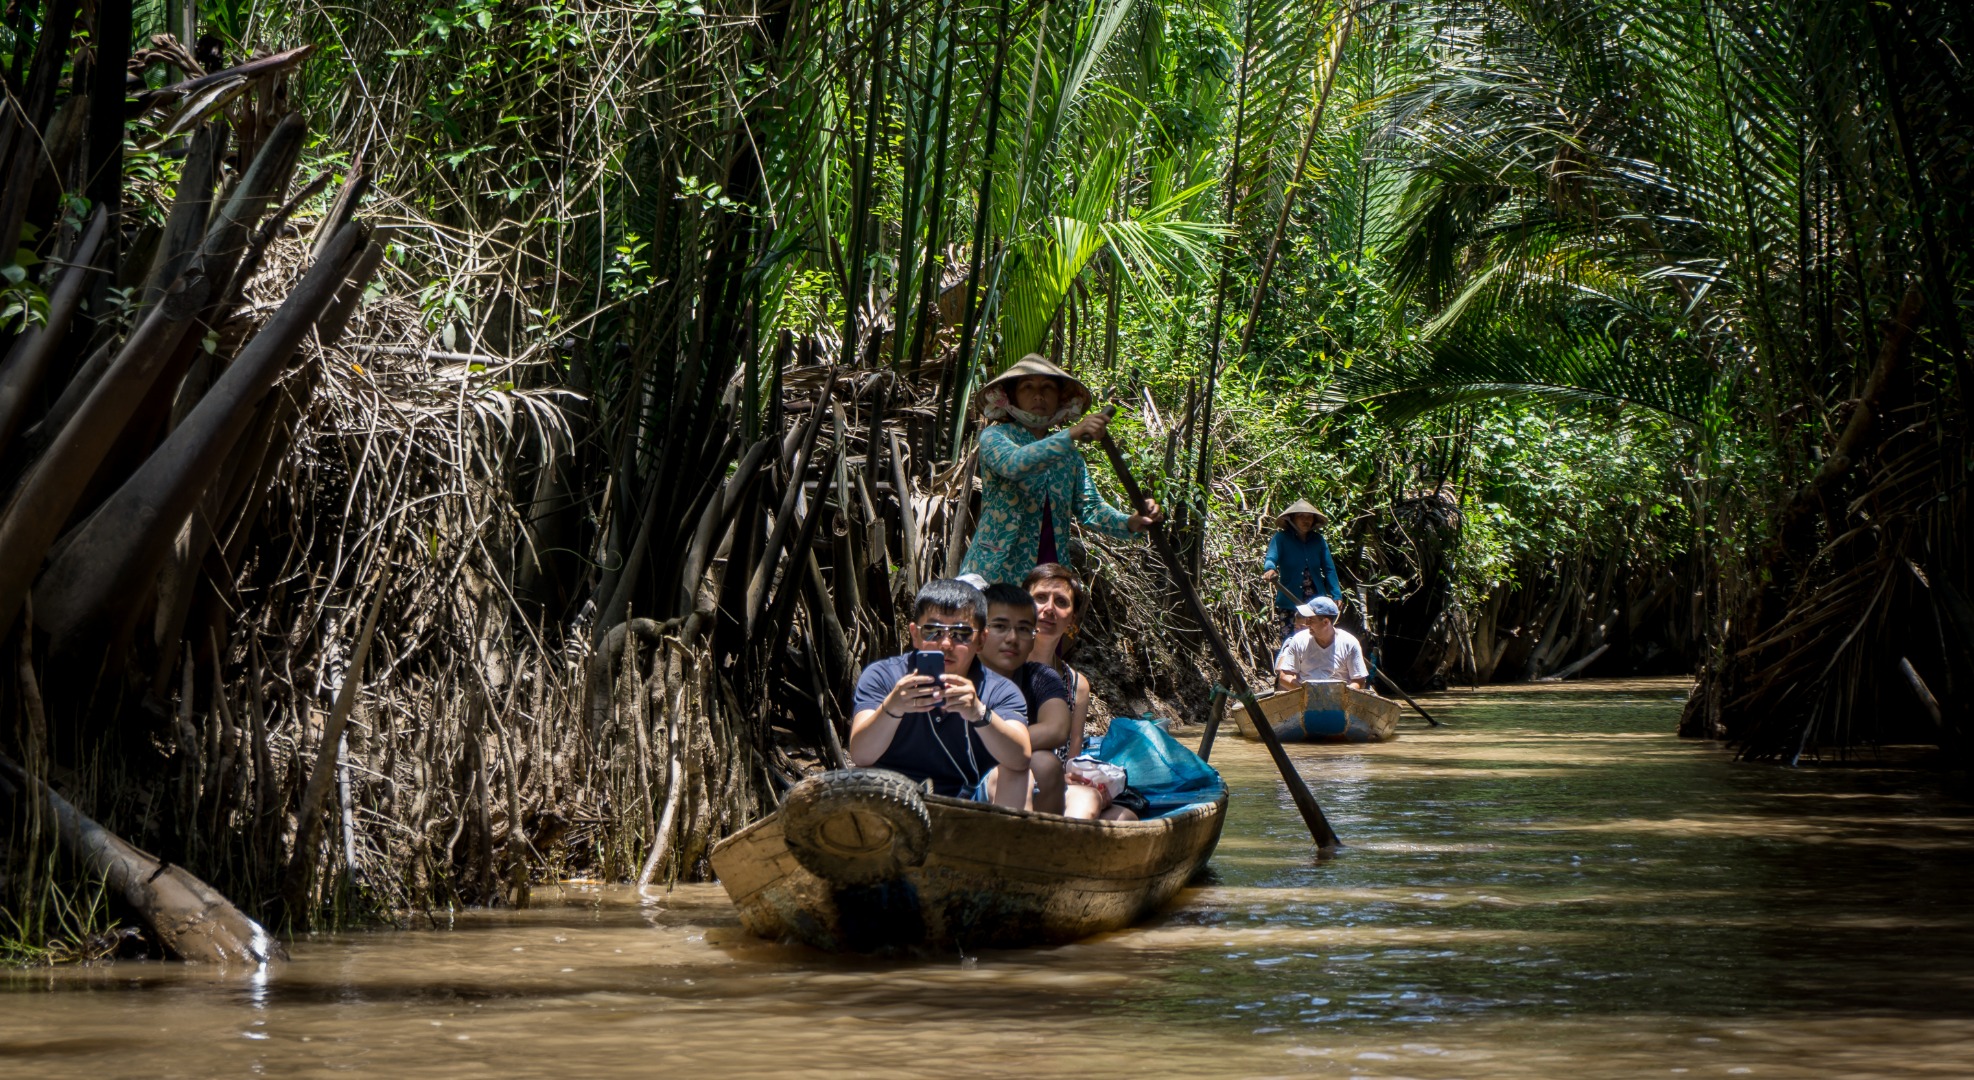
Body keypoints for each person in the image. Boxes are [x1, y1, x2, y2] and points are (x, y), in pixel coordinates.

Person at [959, 355, 1162, 586]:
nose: (1038, 395)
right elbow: (1014, 464)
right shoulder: (996, 436)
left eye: (1047, 388)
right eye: (1028, 387)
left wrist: (1130, 522)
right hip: (996, 571)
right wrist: (1071, 434)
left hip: (1049, 577)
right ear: (1011, 396)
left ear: (1060, 399)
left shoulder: (1070, 457)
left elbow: (1091, 508)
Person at [850, 579, 1033, 805]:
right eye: (933, 631)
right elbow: (860, 755)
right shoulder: (883, 676)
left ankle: (1001, 840)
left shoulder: (1001, 691)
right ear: (915, 635)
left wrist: (979, 713)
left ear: (981, 640)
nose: (946, 644)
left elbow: (1020, 759)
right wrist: (892, 708)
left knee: (1018, 775)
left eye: (961, 633)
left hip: (968, 798)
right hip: (890, 792)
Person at [1024, 562, 1140, 821]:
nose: (1049, 609)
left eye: (1061, 602)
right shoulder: (1005, 663)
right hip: (1013, 777)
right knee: (1086, 800)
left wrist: (1089, 783)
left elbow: (1071, 761)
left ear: (1072, 618)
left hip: (1054, 784)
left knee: (1125, 818)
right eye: (1040, 598)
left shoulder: (1077, 684)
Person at [974, 583, 1074, 814]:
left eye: (1023, 629)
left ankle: (1033, 845)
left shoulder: (1039, 677)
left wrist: (992, 741)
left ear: (1033, 638)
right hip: (959, 774)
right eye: (1000, 626)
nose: (1012, 638)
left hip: (1013, 771)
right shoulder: (961, 671)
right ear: (979, 633)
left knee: (1045, 764)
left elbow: (1057, 729)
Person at [1262, 499, 1341, 645]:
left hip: (1315, 602)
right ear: (1292, 519)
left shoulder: (1318, 540)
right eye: (1301, 516)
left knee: (1315, 640)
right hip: (1290, 600)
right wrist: (1270, 569)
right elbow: (1271, 558)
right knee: (1290, 641)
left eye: (1309, 517)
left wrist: (1336, 594)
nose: (1306, 520)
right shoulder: (1281, 538)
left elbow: (1329, 568)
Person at [1274, 596, 1369, 691]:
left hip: (1339, 700)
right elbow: (1284, 676)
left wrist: (1342, 695)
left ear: (1326, 622)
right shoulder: (1299, 640)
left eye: (1311, 620)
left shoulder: (1349, 643)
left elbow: (1359, 680)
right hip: (1304, 698)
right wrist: (1307, 692)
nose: (1307, 624)